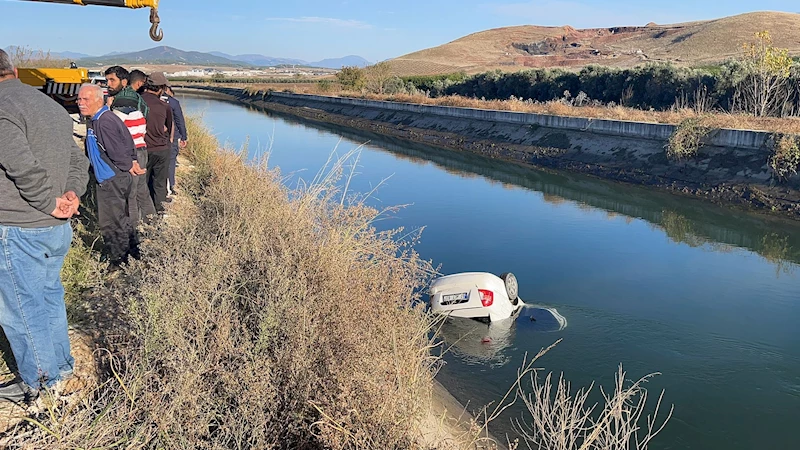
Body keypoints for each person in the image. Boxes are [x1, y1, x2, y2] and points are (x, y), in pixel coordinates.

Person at [0, 49, 89, 402]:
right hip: (55, 228)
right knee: (49, 297)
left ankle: (41, 384)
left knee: (21, 308)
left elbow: (21, 166)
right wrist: (72, 194)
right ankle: (61, 367)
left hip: (18, 226)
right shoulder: (48, 105)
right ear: (15, 70)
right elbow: (75, 160)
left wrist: (49, 202)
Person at [77, 83, 139, 266]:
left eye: (85, 99)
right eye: (79, 99)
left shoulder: (104, 121)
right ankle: (132, 251)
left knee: (111, 222)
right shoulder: (99, 118)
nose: (80, 103)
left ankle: (118, 260)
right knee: (121, 217)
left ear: (98, 100)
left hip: (112, 179)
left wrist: (128, 164)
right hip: (114, 177)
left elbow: (118, 150)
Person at [105, 66, 156, 222]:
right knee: (141, 190)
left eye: (112, 80)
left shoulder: (121, 103)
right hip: (142, 149)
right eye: (107, 80)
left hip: (130, 152)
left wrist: (107, 108)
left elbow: (111, 131)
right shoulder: (138, 101)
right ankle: (152, 224)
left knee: (130, 194)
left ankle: (133, 233)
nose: (108, 84)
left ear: (124, 81)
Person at [140, 72, 173, 213]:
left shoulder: (138, 101)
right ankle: (159, 214)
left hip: (143, 149)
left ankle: (143, 215)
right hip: (162, 149)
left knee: (142, 184)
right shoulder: (164, 106)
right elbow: (169, 128)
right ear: (161, 88)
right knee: (159, 184)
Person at [163, 86, 187, 196]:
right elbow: (179, 121)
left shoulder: (147, 100)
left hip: (154, 137)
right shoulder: (173, 103)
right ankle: (170, 186)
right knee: (171, 162)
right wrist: (184, 137)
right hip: (172, 137)